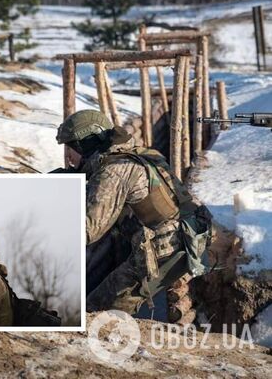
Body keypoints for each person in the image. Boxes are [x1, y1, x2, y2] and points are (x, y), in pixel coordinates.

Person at [56, 109, 213, 323]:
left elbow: (87, 230)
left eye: (70, 147)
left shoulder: (115, 171)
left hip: (166, 250)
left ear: (87, 144)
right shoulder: (136, 155)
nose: (67, 156)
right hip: (185, 237)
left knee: (95, 312)